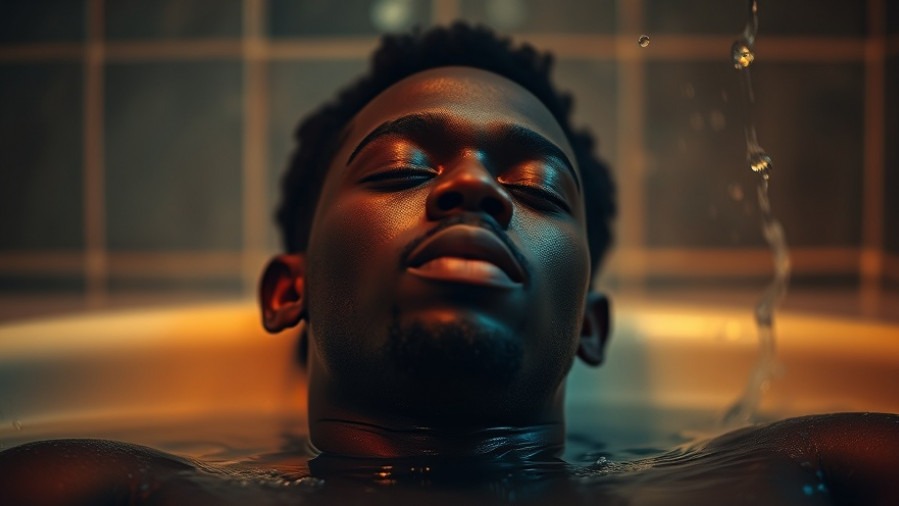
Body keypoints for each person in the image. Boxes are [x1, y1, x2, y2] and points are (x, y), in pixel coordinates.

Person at [1, 23, 897, 506]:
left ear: (588, 322)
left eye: (538, 186)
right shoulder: (114, 489)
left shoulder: (792, 470)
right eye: (400, 169)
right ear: (291, 289)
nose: (475, 187)